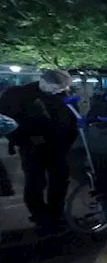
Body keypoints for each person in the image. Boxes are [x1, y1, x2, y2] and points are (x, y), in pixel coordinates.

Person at [0, 69, 76, 227]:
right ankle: (40, 215)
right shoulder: (17, 94)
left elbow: (70, 118)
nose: (58, 92)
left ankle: (57, 212)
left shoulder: (61, 95)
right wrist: (22, 139)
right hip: (32, 145)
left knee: (60, 179)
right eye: (55, 88)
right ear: (43, 81)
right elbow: (7, 121)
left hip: (59, 145)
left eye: (61, 89)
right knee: (35, 181)